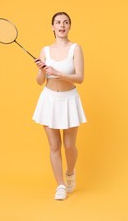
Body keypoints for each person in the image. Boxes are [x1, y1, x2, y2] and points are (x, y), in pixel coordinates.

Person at [32, 12, 87, 200]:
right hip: (49, 100)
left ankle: (70, 172)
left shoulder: (75, 48)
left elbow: (80, 77)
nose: (62, 25)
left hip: (69, 99)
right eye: (58, 22)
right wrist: (42, 70)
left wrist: (59, 73)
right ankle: (60, 185)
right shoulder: (45, 51)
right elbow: (40, 81)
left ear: (70, 26)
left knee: (69, 146)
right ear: (52, 27)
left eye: (65, 22)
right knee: (54, 146)